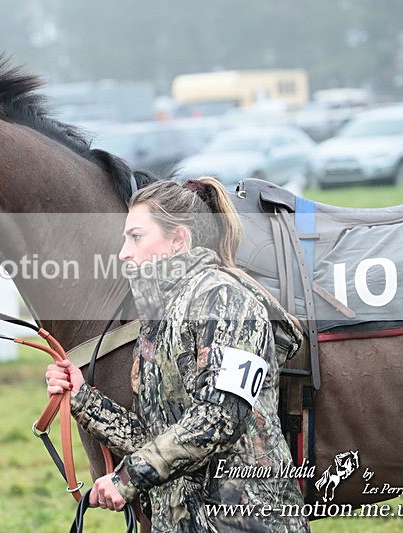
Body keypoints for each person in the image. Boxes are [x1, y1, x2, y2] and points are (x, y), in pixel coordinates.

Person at [45, 177, 309, 532]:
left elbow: (218, 419)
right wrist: (82, 398)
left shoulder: (226, 300)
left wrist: (127, 479)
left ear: (178, 241)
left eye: (135, 237)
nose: (123, 252)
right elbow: (159, 437)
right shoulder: (158, 317)